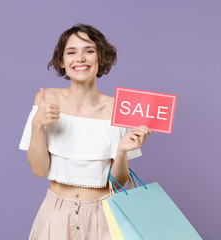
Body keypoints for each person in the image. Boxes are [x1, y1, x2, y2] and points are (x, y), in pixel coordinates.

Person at [19, 24, 152, 240]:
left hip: (104, 214)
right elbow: (39, 169)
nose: (80, 58)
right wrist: (37, 125)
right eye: (71, 52)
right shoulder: (47, 100)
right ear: (62, 61)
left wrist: (121, 151)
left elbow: (118, 185)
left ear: (101, 58)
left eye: (89, 50)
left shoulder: (120, 109)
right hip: (56, 213)